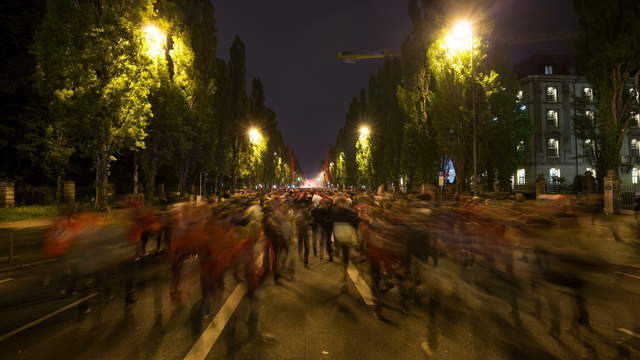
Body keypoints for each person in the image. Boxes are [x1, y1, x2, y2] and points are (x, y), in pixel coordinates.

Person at [330, 197, 360, 292]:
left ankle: (344, 277)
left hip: (338, 234)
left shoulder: (334, 211)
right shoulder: (350, 212)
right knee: (346, 256)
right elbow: (356, 221)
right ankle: (345, 276)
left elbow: (331, 221)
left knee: (341, 256)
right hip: (347, 235)